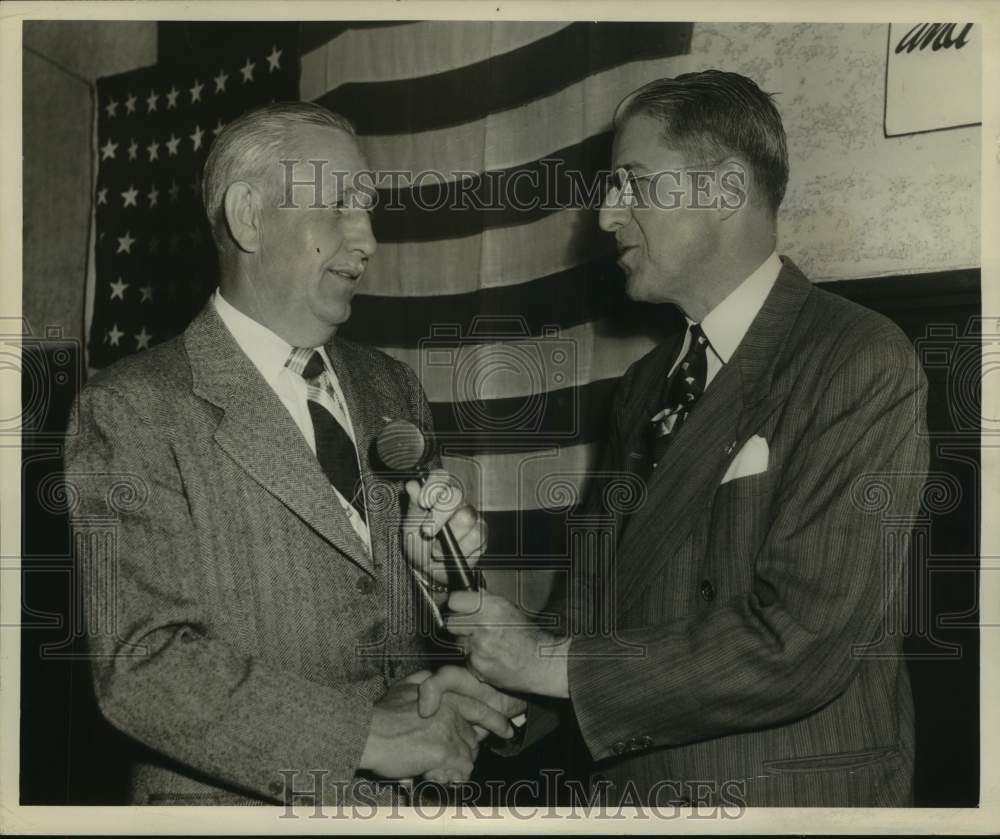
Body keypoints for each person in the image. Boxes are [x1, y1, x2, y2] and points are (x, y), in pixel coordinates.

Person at [418, 70, 930, 807]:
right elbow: (596, 612)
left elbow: (802, 641)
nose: (604, 215)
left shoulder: (858, 358)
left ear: (723, 190)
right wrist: (490, 693)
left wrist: (546, 662)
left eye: (631, 182)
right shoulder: (645, 383)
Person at [63, 102, 522, 807]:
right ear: (249, 217)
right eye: (338, 206)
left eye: (367, 209)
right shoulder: (132, 407)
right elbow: (144, 665)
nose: (366, 240)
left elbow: (376, 621)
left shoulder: (390, 384)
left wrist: (434, 599)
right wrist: (371, 735)